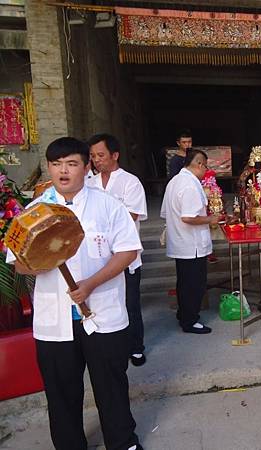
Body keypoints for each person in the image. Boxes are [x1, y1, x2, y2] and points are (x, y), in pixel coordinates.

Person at [8, 137, 143, 450]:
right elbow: (17, 264)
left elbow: (126, 252)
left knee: (110, 383)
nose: (63, 171)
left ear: (86, 167)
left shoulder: (107, 206)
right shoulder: (33, 213)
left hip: (101, 313)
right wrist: (39, 261)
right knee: (60, 389)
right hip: (54, 321)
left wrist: (91, 284)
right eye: (56, 164)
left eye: (71, 163)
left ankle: (122, 441)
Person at [88, 133, 148, 367]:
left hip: (125, 257)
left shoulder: (130, 182)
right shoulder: (89, 183)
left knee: (130, 304)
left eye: (101, 155)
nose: (96, 160)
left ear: (115, 155)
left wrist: (100, 220)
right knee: (105, 306)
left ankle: (136, 347)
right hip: (97, 258)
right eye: (92, 156)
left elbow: (130, 216)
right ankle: (114, 348)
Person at [161, 148, 219, 334]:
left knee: (184, 282)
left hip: (180, 242)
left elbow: (165, 213)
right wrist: (210, 219)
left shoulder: (174, 182)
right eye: (205, 166)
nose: (205, 171)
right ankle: (190, 320)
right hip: (191, 245)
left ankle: (183, 313)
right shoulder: (189, 184)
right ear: (200, 164)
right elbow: (188, 217)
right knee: (194, 284)